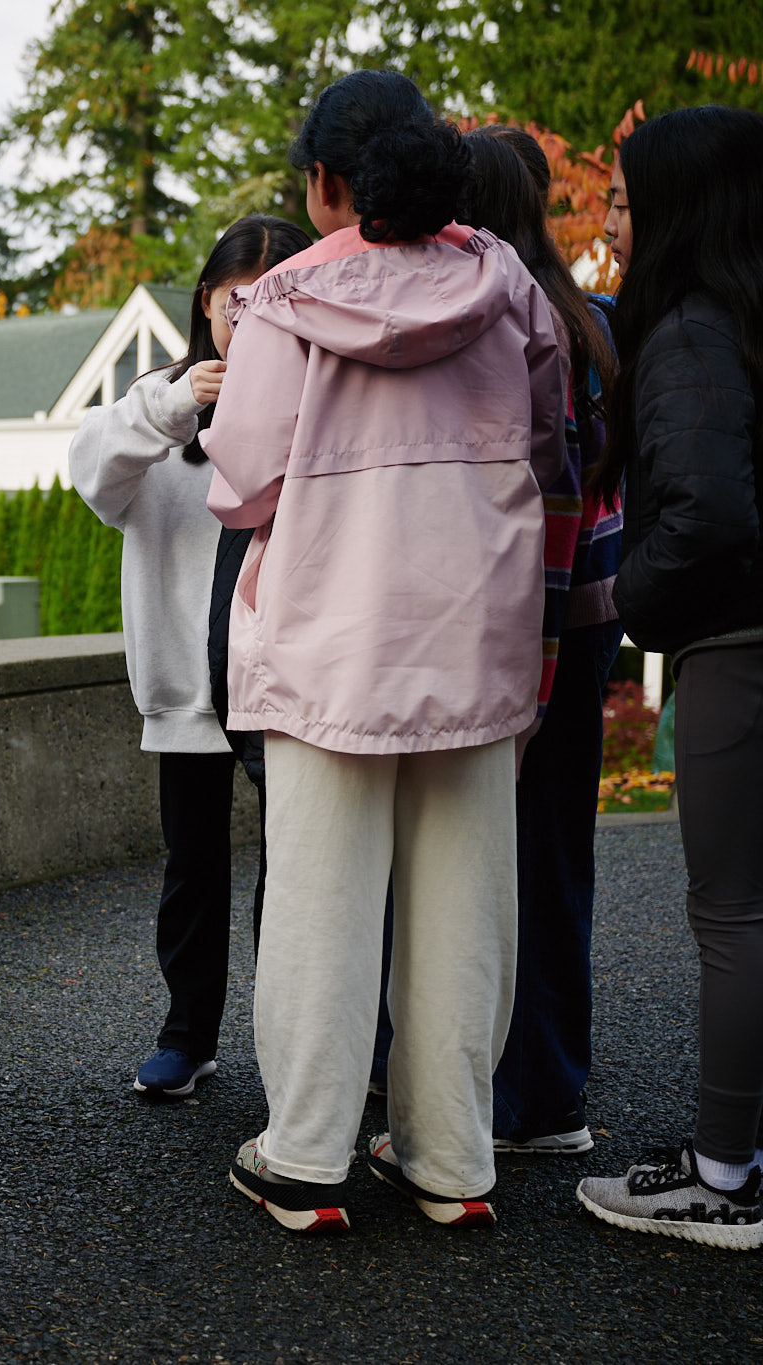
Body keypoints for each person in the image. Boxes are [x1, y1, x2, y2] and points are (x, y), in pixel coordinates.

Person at [203, 70, 563, 1234]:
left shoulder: (283, 302)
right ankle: (450, 1159)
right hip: (474, 624)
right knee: (467, 903)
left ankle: (303, 1158)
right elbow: (550, 434)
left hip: (328, 635)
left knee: (321, 897)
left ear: (325, 180)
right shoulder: (502, 281)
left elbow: (241, 479)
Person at [574, 105, 763, 1250]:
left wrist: (624, 598)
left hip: (735, 647)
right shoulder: (742, 320)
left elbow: (704, 512)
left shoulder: (688, 333)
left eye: (626, 199)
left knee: (731, 912)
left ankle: (722, 1175)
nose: (611, 220)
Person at [68, 214, 309, 1100]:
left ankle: (296, 1045)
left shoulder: (321, 392)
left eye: (267, 298)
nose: (245, 318)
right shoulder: (158, 405)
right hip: (186, 687)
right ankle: (187, 1032)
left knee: (297, 872)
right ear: (204, 301)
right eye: (230, 299)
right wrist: (174, 405)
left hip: (285, 684)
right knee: (193, 869)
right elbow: (93, 475)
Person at [456, 125, 624, 1157]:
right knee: (558, 852)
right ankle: (553, 1080)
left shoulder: (493, 323)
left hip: (523, 622)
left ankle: (509, 1091)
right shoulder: (592, 319)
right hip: (591, 615)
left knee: (485, 859)